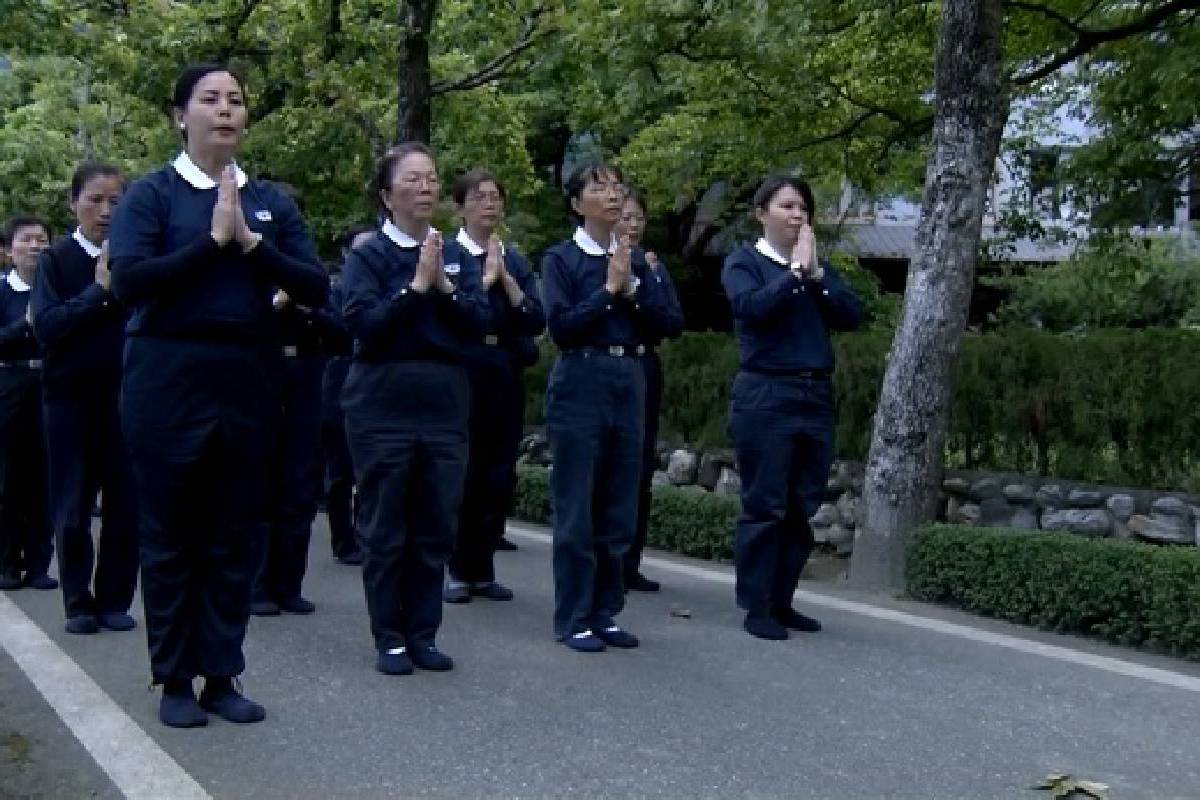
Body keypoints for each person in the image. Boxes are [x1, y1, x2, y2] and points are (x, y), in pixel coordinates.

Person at [109, 63, 328, 727]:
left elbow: (314, 286)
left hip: (250, 376)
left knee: (235, 534)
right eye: (210, 99)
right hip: (168, 373)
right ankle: (174, 678)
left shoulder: (269, 202)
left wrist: (252, 243)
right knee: (173, 531)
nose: (225, 110)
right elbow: (129, 282)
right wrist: (210, 244)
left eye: (235, 100)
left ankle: (222, 673)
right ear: (181, 116)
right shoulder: (153, 196)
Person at [340, 143, 491, 676]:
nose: (426, 188)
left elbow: (478, 321)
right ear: (387, 195)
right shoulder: (369, 255)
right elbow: (363, 325)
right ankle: (390, 637)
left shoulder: (451, 252)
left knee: (434, 523)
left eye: (431, 178)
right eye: (413, 179)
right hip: (383, 401)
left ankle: (423, 633)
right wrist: (414, 290)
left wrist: (444, 288)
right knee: (386, 526)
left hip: (444, 401)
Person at [541, 162, 683, 652]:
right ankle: (573, 614)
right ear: (577, 204)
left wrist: (633, 286)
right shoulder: (562, 259)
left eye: (617, 186)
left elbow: (668, 322)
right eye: (598, 187)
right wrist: (607, 292)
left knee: (620, 503)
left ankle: (605, 610)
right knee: (578, 504)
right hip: (582, 377)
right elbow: (561, 327)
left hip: (631, 378)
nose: (612, 195)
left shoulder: (639, 261)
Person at [720, 175, 863, 641]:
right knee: (766, 504)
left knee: (802, 503)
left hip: (813, 396)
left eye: (803, 207)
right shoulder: (745, 262)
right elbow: (751, 309)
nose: (797, 215)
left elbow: (852, 314)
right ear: (762, 213)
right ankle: (756, 604)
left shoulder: (816, 270)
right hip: (766, 394)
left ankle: (783, 599)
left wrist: (817, 276)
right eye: (786, 206)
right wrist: (794, 276)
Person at [29, 163, 138, 635]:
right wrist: (99, 292)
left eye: (116, 201)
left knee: (125, 504)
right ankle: (77, 600)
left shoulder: (135, 257)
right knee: (72, 504)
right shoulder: (56, 259)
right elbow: (48, 326)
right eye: (95, 199)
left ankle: (114, 598)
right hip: (69, 399)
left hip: (126, 398)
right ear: (74, 203)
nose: (106, 210)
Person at [444, 169, 545, 604]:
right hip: (464, 368)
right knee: (462, 468)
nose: (489, 204)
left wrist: (506, 280)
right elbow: (454, 314)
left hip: (503, 367)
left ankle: (482, 566)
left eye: (495, 197)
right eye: (479, 197)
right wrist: (484, 284)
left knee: (497, 471)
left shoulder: (514, 259)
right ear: (461, 206)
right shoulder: (448, 254)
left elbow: (535, 317)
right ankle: (454, 566)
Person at [252, 230, 346, 617]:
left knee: (301, 485)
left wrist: (309, 310)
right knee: (260, 486)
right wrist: (276, 303)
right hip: (260, 376)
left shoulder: (311, 277)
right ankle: (256, 585)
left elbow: (342, 335)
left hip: (308, 379)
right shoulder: (252, 269)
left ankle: (289, 584)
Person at [615, 188, 683, 593]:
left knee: (640, 466)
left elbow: (672, 320)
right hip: (611, 363)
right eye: (625, 216)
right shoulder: (600, 261)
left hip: (644, 364)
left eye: (638, 217)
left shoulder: (652, 266)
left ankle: (630, 561)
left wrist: (642, 290)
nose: (633, 224)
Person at [0, 215, 56, 593]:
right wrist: (27, 324)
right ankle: (7, 563)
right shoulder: (3, 290)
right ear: (7, 251)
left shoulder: (55, 287)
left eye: (42, 239)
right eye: (26, 240)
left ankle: (38, 564)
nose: (35, 246)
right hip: (9, 385)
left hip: (49, 386)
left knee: (44, 480)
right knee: (7, 481)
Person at [323, 227, 372, 567]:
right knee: (340, 468)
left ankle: (369, 533)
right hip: (341, 377)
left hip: (376, 382)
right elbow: (335, 328)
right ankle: (343, 539)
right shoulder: (336, 289)